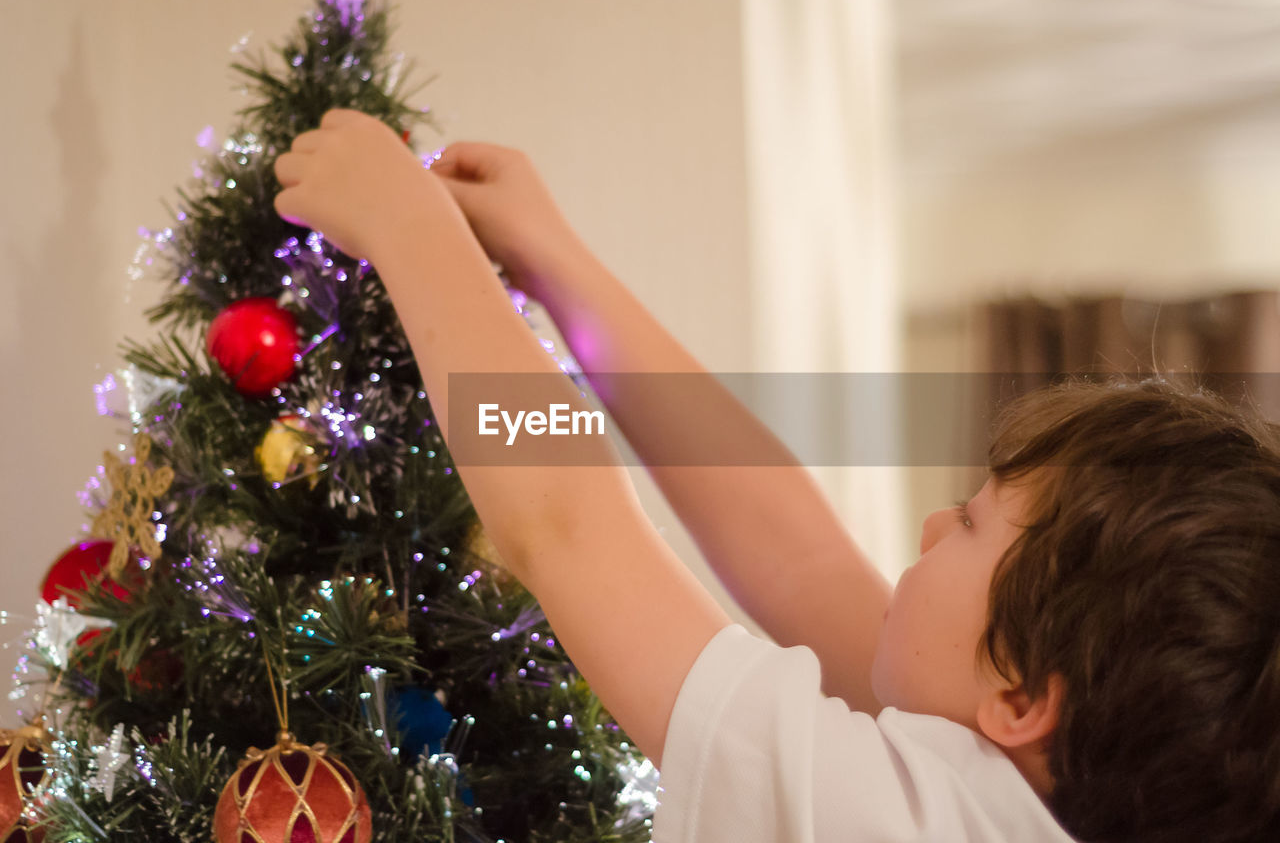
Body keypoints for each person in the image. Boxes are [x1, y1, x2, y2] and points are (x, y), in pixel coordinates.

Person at [272, 109, 1280, 842]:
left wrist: (410, 231)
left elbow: (569, 527)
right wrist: (558, 263)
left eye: (970, 526)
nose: (931, 526)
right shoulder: (986, 792)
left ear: (1020, 698)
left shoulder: (902, 826)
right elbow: (795, 558)